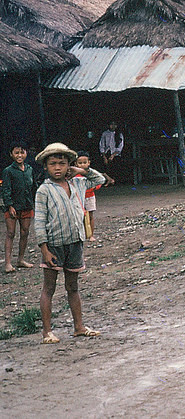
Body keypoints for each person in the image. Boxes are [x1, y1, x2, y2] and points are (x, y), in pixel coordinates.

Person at [33, 142, 101, 343]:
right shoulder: (44, 190)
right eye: (52, 164)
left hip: (75, 243)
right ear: (46, 167)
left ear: (68, 166)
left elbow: (100, 179)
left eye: (62, 164)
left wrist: (79, 170)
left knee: (73, 287)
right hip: (54, 245)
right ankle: (47, 332)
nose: (57, 168)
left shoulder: (78, 183)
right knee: (49, 288)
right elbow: (39, 222)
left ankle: (79, 327)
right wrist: (44, 249)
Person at [3, 142, 36, 272]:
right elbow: (6, 189)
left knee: (25, 232)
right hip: (13, 207)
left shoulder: (29, 169)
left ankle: (20, 260)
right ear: (11, 154)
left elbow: (33, 187)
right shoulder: (8, 171)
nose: (19, 155)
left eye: (22, 152)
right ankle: (8, 263)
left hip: (27, 205)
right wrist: (9, 205)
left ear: (26, 153)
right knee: (11, 233)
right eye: (16, 153)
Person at [73, 152, 112, 242]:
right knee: (79, 217)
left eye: (84, 162)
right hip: (79, 198)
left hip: (90, 197)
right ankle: (81, 234)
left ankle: (91, 235)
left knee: (90, 216)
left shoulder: (91, 174)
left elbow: (99, 182)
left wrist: (94, 187)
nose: (82, 165)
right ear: (75, 164)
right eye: (80, 163)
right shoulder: (74, 175)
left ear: (89, 163)